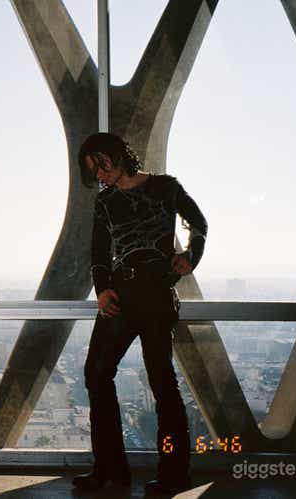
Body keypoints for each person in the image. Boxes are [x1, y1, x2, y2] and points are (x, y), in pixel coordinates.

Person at [71, 132, 207, 495]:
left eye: (101, 164)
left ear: (117, 155)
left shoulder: (166, 187)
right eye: (93, 170)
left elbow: (200, 225)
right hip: (121, 295)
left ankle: (175, 474)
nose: (100, 174)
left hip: (157, 295)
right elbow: (98, 253)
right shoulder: (105, 201)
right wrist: (102, 290)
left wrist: (190, 257)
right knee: (96, 375)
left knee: (163, 385)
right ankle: (110, 469)